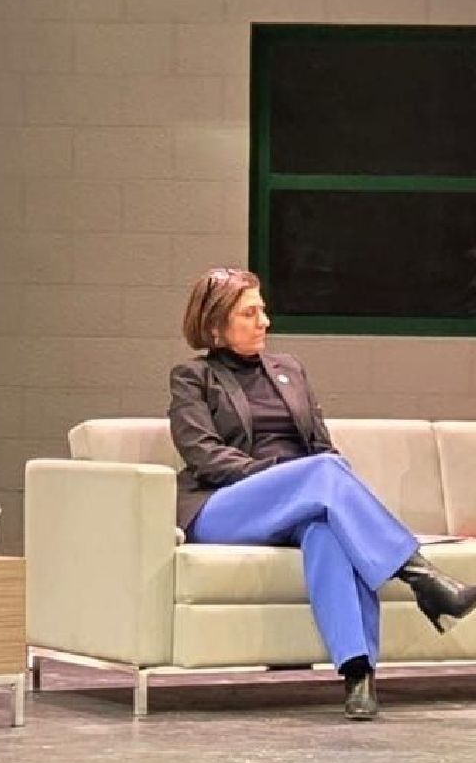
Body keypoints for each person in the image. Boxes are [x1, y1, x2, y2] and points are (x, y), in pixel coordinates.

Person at [169, 267, 476, 720]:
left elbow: (321, 447)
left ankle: (358, 675)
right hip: (225, 505)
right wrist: (283, 478)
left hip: (303, 498)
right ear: (216, 326)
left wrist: (308, 479)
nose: (265, 322)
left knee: (329, 532)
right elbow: (204, 456)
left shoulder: (289, 370)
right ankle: (421, 576)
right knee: (324, 473)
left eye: (264, 311)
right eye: (250, 313)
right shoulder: (192, 378)